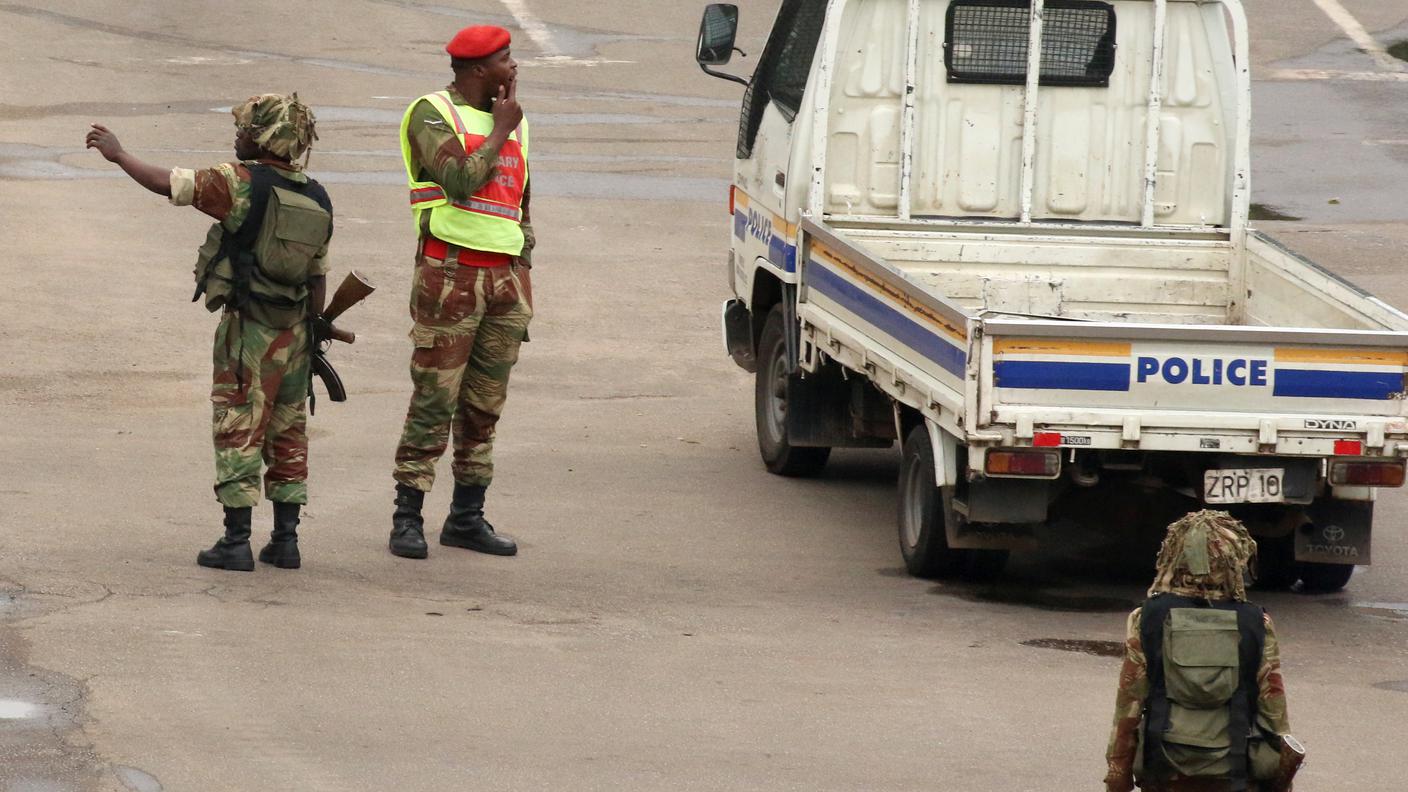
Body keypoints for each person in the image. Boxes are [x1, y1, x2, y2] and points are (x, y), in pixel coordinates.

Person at [85, 94, 334, 572]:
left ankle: (235, 542)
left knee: (238, 426)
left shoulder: (239, 184)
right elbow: (318, 276)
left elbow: (169, 184)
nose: (236, 136)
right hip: (297, 336)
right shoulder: (316, 196)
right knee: (289, 433)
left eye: (244, 129)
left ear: (262, 136)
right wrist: (312, 331)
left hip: (249, 333)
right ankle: (286, 541)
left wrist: (119, 154)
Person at [388, 25, 535, 560]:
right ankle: (408, 518)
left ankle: (467, 518)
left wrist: (522, 277)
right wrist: (498, 131)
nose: (514, 67)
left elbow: (521, 205)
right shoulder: (431, 114)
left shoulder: (516, 122)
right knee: (434, 400)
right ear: (477, 71)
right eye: (505, 58)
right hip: (449, 277)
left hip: (504, 281)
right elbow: (458, 181)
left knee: (483, 406)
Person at [1104, 510, 1295, 792]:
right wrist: (1281, 781)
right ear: (1236, 560)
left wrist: (1117, 775)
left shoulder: (1146, 618)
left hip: (1164, 771)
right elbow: (1274, 712)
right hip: (1237, 773)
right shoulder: (1257, 624)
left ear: (1174, 556)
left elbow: (1128, 706)